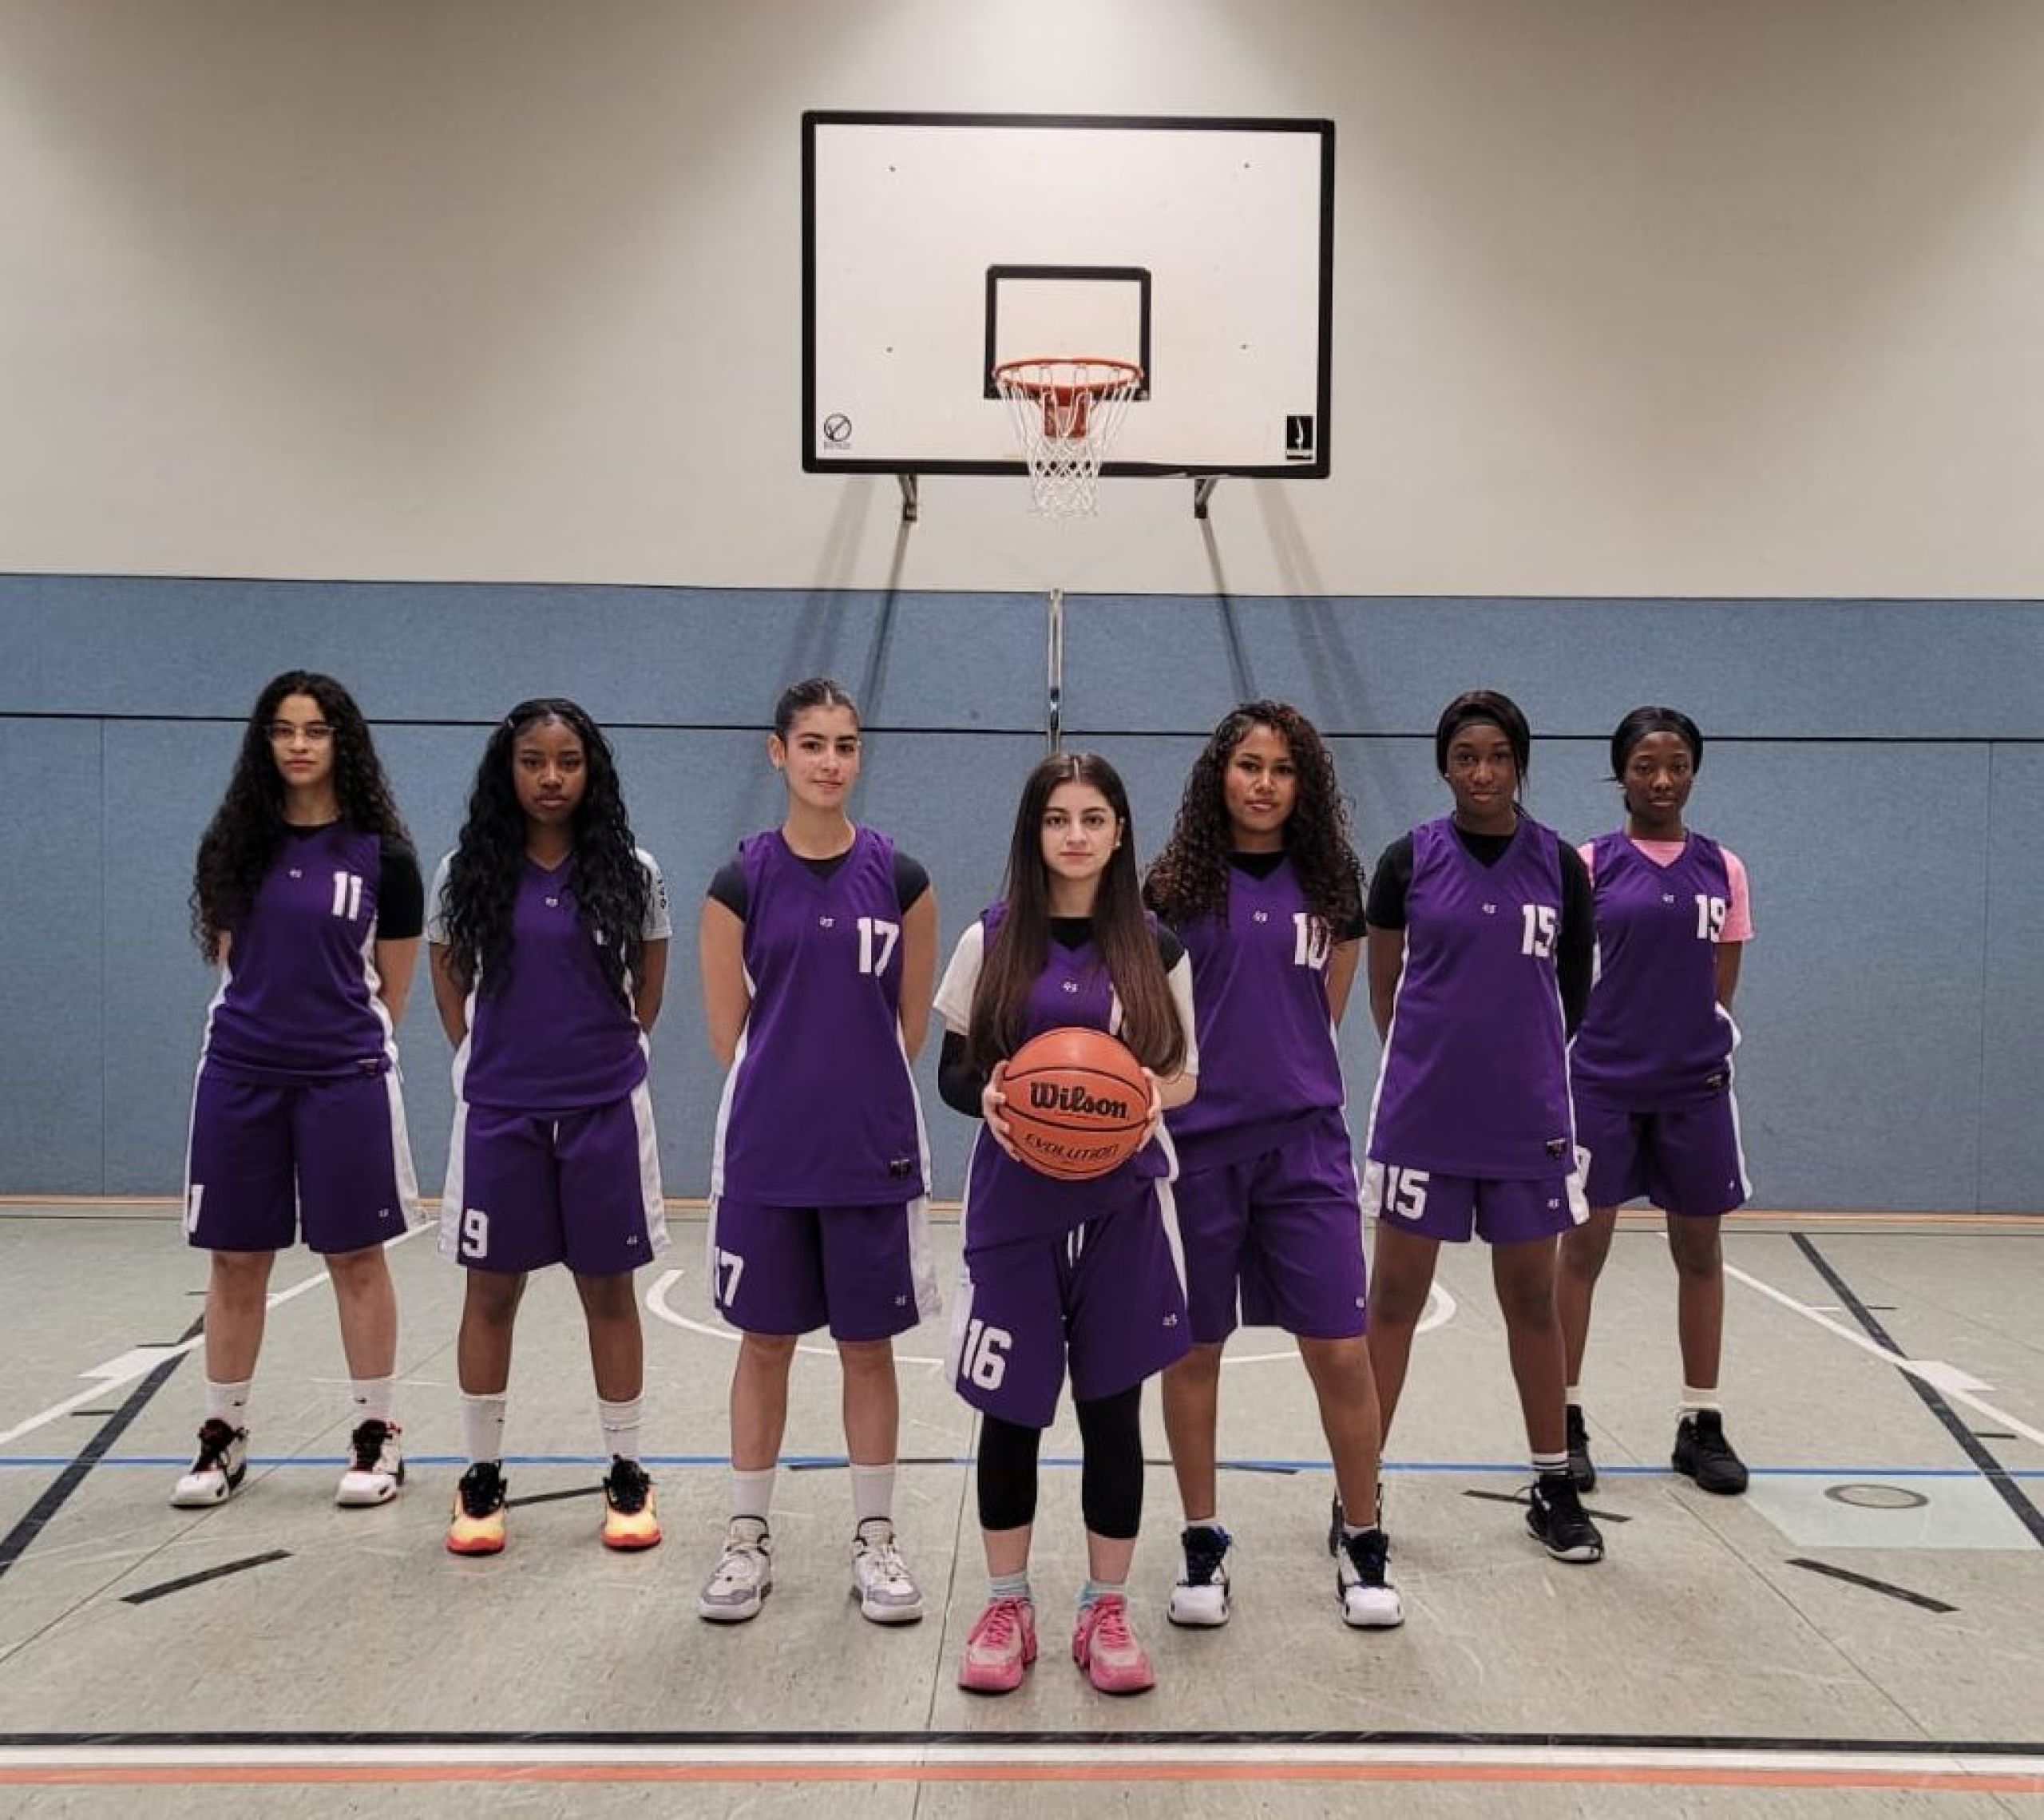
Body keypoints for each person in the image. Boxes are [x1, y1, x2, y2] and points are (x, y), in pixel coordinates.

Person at [934, 751, 1198, 1696]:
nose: (1075, 834)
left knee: (1109, 1413)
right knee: (1010, 1414)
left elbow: (1183, 1076)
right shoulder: (992, 937)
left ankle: (1106, 1603)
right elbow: (955, 1072)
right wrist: (999, 1091)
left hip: (1123, 1207)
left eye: (1092, 817)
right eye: (1057, 818)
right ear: (1034, 831)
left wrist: (1134, 1096)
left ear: (1119, 831)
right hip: (1014, 1208)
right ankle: (1007, 1601)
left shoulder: (1157, 949)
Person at [1143, 702, 1401, 1631]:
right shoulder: (1169, 889)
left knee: (1339, 1347)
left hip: (1303, 1147)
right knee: (1192, 1349)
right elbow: (1151, 1017)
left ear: (1305, 784)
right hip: (1198, 1149)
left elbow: (1321, 1012)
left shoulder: (1331, 887)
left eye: (1282, 768)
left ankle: (1364, 1534)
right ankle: (1203, 1540)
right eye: (1247, 763)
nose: (1262, 782)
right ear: (1220, 774)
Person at [697, 678, 940, 1625]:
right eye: (812, 744)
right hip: (766, 1150)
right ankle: (746, 1539)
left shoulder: (903, 876)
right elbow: (731, 1034)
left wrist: (852, 1093)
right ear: (778, 753)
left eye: (844, 744)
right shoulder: (740, 879)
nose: (830, 760)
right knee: (763, 1343)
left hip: (869, 1150)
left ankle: (875, 1540)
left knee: (866, 1347)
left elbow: (909, 1027)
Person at [1361, 690, 1605, 1562]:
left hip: (1526, 1118)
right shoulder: (1405, 860)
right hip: (1423, 1114)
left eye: (1498, 754)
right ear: (1444, 765)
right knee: (1390, 1299)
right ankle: (1361, 1494)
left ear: (1520, 763)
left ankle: (1551, 1482)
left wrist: (1521, 1059)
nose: (1482, 771)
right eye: (1466, 755)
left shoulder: (1560, 867)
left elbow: (1571, 989)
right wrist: (1437, 1060)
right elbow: (1384, 989)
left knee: (1530, 1300)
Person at [429, 699, 672, 1556]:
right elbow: (447, 971)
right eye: (533, 760)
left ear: (589, 769)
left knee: (608, 1289)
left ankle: (627, 1469)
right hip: (501, 1113)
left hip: (603, 1109)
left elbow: (651, 978)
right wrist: (479, 1059)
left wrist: (612, 1051)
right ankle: (481, 1473)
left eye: (567, 760)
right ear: (509, 768)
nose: (550, 776)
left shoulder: (632, 871)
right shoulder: (468, 869)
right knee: (491, 1290)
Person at [176, 670, 422, 1509]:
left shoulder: (384, 857)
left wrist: (338, 1041)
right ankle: (223, 1431)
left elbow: (393, 987)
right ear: (265, 742)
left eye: (315, 729)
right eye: (283, 730)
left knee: (355, 1255)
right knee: (237, 1258)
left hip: (343, 1076)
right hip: (241, 1074)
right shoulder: (233, 847)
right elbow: (232, 962)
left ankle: (376, 1432)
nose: (299, 744)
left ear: (341, 741)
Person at [1557, 707, 1753, 1495]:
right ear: (1621, 774)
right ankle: (1563, 1416)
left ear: (1693, 772)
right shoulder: (1589, 864)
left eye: (1675, 764)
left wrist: (1689, 1047)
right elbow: (1565, 979)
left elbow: (1719, 987)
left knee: (1699, 1252)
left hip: (1693, 1087)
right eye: (1645, 765)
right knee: (1583, 1250)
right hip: (1601, 1080)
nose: (1661, 779)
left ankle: (1699, 1420)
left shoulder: (1724, 869)